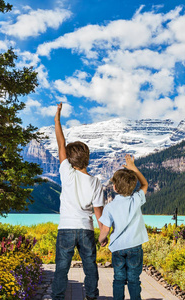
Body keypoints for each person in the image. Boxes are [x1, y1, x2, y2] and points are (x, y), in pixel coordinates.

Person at [52, 103, 105, 300]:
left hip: (65, 228)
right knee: (90, 268)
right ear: (87, 159)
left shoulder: (66, 173)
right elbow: (99, 213)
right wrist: (104, 234)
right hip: (86, 230)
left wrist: (57, 119)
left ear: (70, 160)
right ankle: (91, 297)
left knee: (61, 269)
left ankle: (57, 298)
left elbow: (60, 143)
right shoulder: (95, 182)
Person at [98, 154, 149, 300]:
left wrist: (101, 239)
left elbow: (105, 230)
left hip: (118, 249)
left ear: (114, 187)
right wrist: (134, 168)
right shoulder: (136, 199)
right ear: (133, 186)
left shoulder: (110, 207)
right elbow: (144, 185)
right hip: (135, 247)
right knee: (134, 279)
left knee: (118, 279)